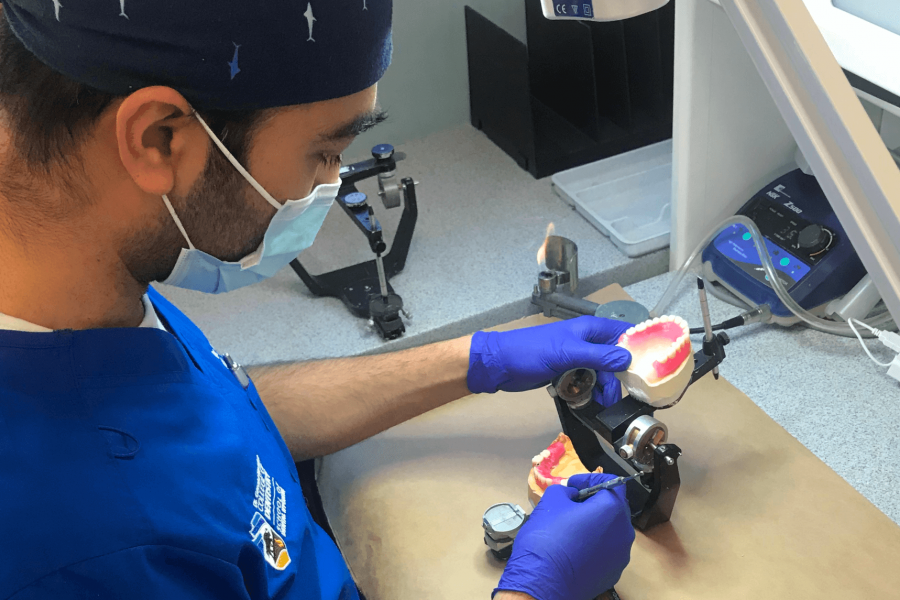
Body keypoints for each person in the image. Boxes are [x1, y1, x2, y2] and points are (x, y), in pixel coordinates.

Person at [0, 1, 635, 599]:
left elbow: (209, 425)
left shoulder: (85, 290)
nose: (331, 185)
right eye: (323, 152)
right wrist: (536, 590)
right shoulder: (80, 553)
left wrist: (477, 359)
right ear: (158, 138)